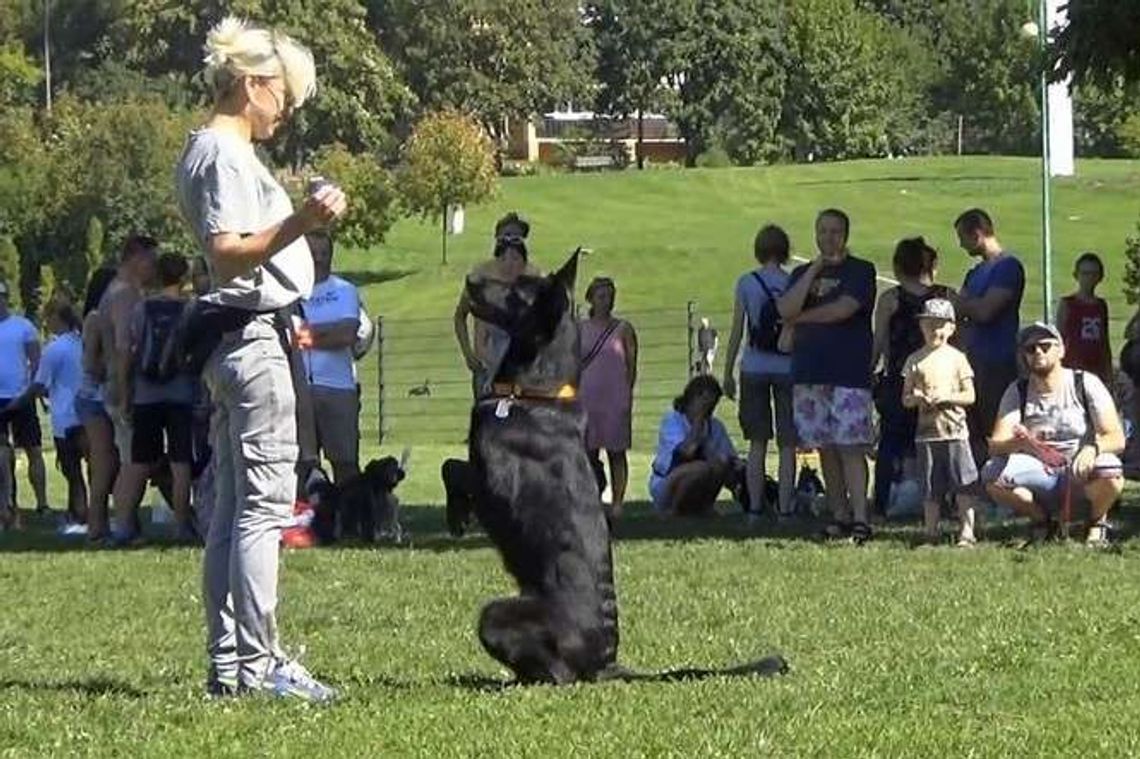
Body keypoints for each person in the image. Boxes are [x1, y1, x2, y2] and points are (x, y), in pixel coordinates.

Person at [175, 16, 346, 701]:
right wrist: (303, 221)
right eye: (286, 95)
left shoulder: (208, 151)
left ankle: (232, 663)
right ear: (252, 84)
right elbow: (227, 250)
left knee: (233, 510)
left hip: (237, 340)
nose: (289, 109)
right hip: (252, 337)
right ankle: (260, 660)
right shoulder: (223, 155)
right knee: (262, 509)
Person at [778, 209, 877, 543]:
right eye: (822, 231)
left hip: (847, 371)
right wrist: (815, 270)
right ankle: (839, 515)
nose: (829, 237)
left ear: (845, 235)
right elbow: (784, 309)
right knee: (825, 447)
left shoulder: (861, 271)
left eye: (835, 231)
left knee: (851, 447)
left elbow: (844, 309)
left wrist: (800, 319)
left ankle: (861, 516)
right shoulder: (802, 273)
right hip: (809, 371)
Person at [984, 322, 1125, 547]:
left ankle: (1096, 522)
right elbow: (996, 445)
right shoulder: (1018, 390)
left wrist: (1092, 448)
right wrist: (1020, 443)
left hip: (1081, 470)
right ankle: (1042, 521)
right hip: (1040, 473)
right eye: (1030, 349)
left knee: (1110, 468)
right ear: (1024, 356)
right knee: (992, 474)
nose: (1038, 352)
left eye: (1045, 346)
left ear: (1061, 350)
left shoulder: (1085, 383)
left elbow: (1116, 437)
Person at [110, 253, 197, 544]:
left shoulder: (142, 308)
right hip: (182, 393)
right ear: (184, 277)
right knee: (180, 461)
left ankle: (123, 525)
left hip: (146, 394)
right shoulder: (191, 308)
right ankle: (181, 524)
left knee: (139, 462)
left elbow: (130, 350)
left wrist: (125, 394)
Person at [870, 237, 955, 517]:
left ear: (898, 266)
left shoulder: (891, 300)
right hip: (940, 380)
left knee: (892, 442)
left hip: (900, 379)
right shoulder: (946, 297)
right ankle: (944, 499)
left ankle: (883, 501)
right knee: (940, 441)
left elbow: (880, 340)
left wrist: (870, 372)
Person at [722, 224, 795, 517]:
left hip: (754, 366)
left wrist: (727, 372)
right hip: (788, 366)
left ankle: (754, 507)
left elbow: (738, 330)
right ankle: (786, 508)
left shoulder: (746, 282)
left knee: (757, 442)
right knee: (788, 443)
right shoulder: (793, 283)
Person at [900, 299, 978, 546]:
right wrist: (918, 398)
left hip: (955, 431)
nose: (935, 330)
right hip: (927, 433)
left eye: (940, 325)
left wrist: (947, 397)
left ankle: (967, 531)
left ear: (952, 328)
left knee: (963, 483)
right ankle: (931, 530)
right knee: (930, 485)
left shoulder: (958, 359)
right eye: (929, 324)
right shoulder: (915, 360)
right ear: (921, 326)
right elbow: (905, 398)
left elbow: (970, 395)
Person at [951, 209, 1025, 467]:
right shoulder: (974, 273)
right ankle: (980, 487)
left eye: (962, 237)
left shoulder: (1008, 268)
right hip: (970, 361)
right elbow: (959, 312)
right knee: (973, 429)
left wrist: (962, 303)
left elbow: (985, 311)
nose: (960, 244)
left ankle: (1004, 483)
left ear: (977, 234)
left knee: (999, 426)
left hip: (997, 361)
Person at [6, 302, 87, 531]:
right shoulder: (81, 342)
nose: (45, 323)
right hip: (86, 414)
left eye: (47, 318)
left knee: (71, 471)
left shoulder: (54, 349)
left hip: (64, 417)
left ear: (56, 318)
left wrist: (17, 403)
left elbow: (38, 385)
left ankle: (79, 514)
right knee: (89, 469)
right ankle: (85, 513)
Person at [298, 231, 363, 487]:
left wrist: (308, 336)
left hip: (338, 387)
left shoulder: (345, 291)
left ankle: (349, 520)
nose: (318, 259)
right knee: (302, 464)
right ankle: (306, 523)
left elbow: (347, 334)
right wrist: (327, 331)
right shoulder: (292, 294)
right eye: (313, 254)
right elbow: (289, 337)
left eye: (324, 254)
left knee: (345, 461)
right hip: (301, 388)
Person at [453, 212, 537, 398]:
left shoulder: (533, 276)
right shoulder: (480, 276)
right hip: (487, 368)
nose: (510, 240)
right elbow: (460, 316)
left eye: (516, 237)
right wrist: (468, 353)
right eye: (505, 235)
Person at [577, 276, 637, 518]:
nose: (606, 301)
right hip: (587, 396)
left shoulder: (623, 329)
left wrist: (627, 394)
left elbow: (631, 365)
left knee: (616, 451)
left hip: (615, 397)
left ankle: (618, 502)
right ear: (591, 298)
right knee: (587, 452)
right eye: (601, 296)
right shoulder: (580, 328)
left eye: (610, 296)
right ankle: (589, 499)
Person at [648, 375, 737, 516]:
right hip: (667, 480)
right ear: (692, 398)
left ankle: (705, 507)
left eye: (712, 404)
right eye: (704, 402)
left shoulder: (715, 426)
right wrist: (697, 423)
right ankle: (673, 511)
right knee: (701, 468)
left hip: (699, 482)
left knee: (720, 466)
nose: (709, 409)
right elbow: (687, 451)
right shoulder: (673, 420)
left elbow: (730, 459)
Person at [76, 266, 119, 542]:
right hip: (94, 398)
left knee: (110, 461)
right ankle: (96, 526)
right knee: (103, 462)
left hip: (102, 397)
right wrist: (115, 370)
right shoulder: (95, 318)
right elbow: (90, 363)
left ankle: (102, 522)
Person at [0, 280, 48, 521]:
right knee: (2, 452)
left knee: (34, 450)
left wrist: (32, 390)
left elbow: (37, 361)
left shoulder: (22, 326)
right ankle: (8, 500)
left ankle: (42, 503)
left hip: (22, 396)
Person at [1056, 252, 1111, 383]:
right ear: (1076, 275)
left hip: (1096, 366)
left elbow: (1104, 339)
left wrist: (1108, 370)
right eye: (1085, 274)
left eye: (1093, 274)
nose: (1089, 279)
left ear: (1100, 277)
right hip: (1073, 365)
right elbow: (1060, 336)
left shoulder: (1101, 305)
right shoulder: (1068, 304)